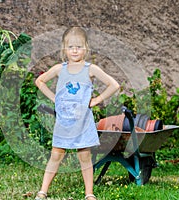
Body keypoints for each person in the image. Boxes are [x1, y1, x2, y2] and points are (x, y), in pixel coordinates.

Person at [35, 27, 120, 200]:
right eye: (71, 46)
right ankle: (43, 191)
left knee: (85, 156)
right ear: (64, 49)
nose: (75, 50)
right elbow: (40, 81)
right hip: (64, 122)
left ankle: (89, 193)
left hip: (83, 122)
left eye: (79, 47)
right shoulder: (60, 69)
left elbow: (114, 85)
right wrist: (55, 99)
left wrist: (96, 100)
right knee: (56, 155)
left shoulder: (90, 69)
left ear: (86, 48)